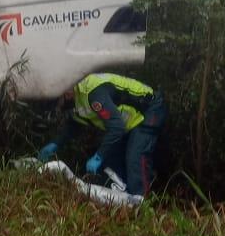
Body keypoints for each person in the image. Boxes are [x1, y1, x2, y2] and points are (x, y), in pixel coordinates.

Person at [38, 73, 167, 197]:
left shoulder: (93, 93)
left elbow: (116, 128)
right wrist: (56, 143)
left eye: (59, 103)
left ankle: (142, 202)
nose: (60, 108)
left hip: (149, 108)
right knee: (111, 164)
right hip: (128, 122)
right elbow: (75, 124)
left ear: (67, 92)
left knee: (135, 157)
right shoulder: (75, 101)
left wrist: (98, 157)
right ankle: (125, 202)